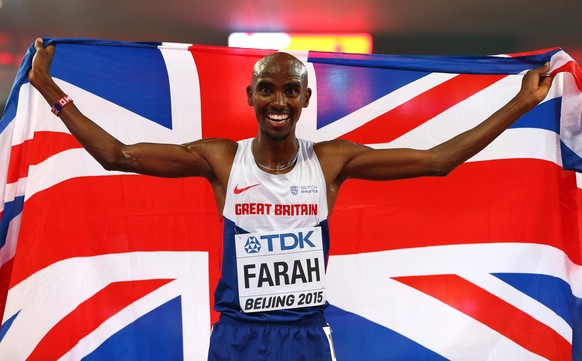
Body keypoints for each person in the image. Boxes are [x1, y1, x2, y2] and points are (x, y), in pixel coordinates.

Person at [28, 38, 554, 360]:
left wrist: (518, 102)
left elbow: (438, 160)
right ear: (251, 96)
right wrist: (51, 90)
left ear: (305, 99)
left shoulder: (330, 162)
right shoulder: (219, 159)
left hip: (303, 339)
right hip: (236, 338)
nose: (278, 100)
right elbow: (117, 154)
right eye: (268, 89)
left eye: (290, 90)